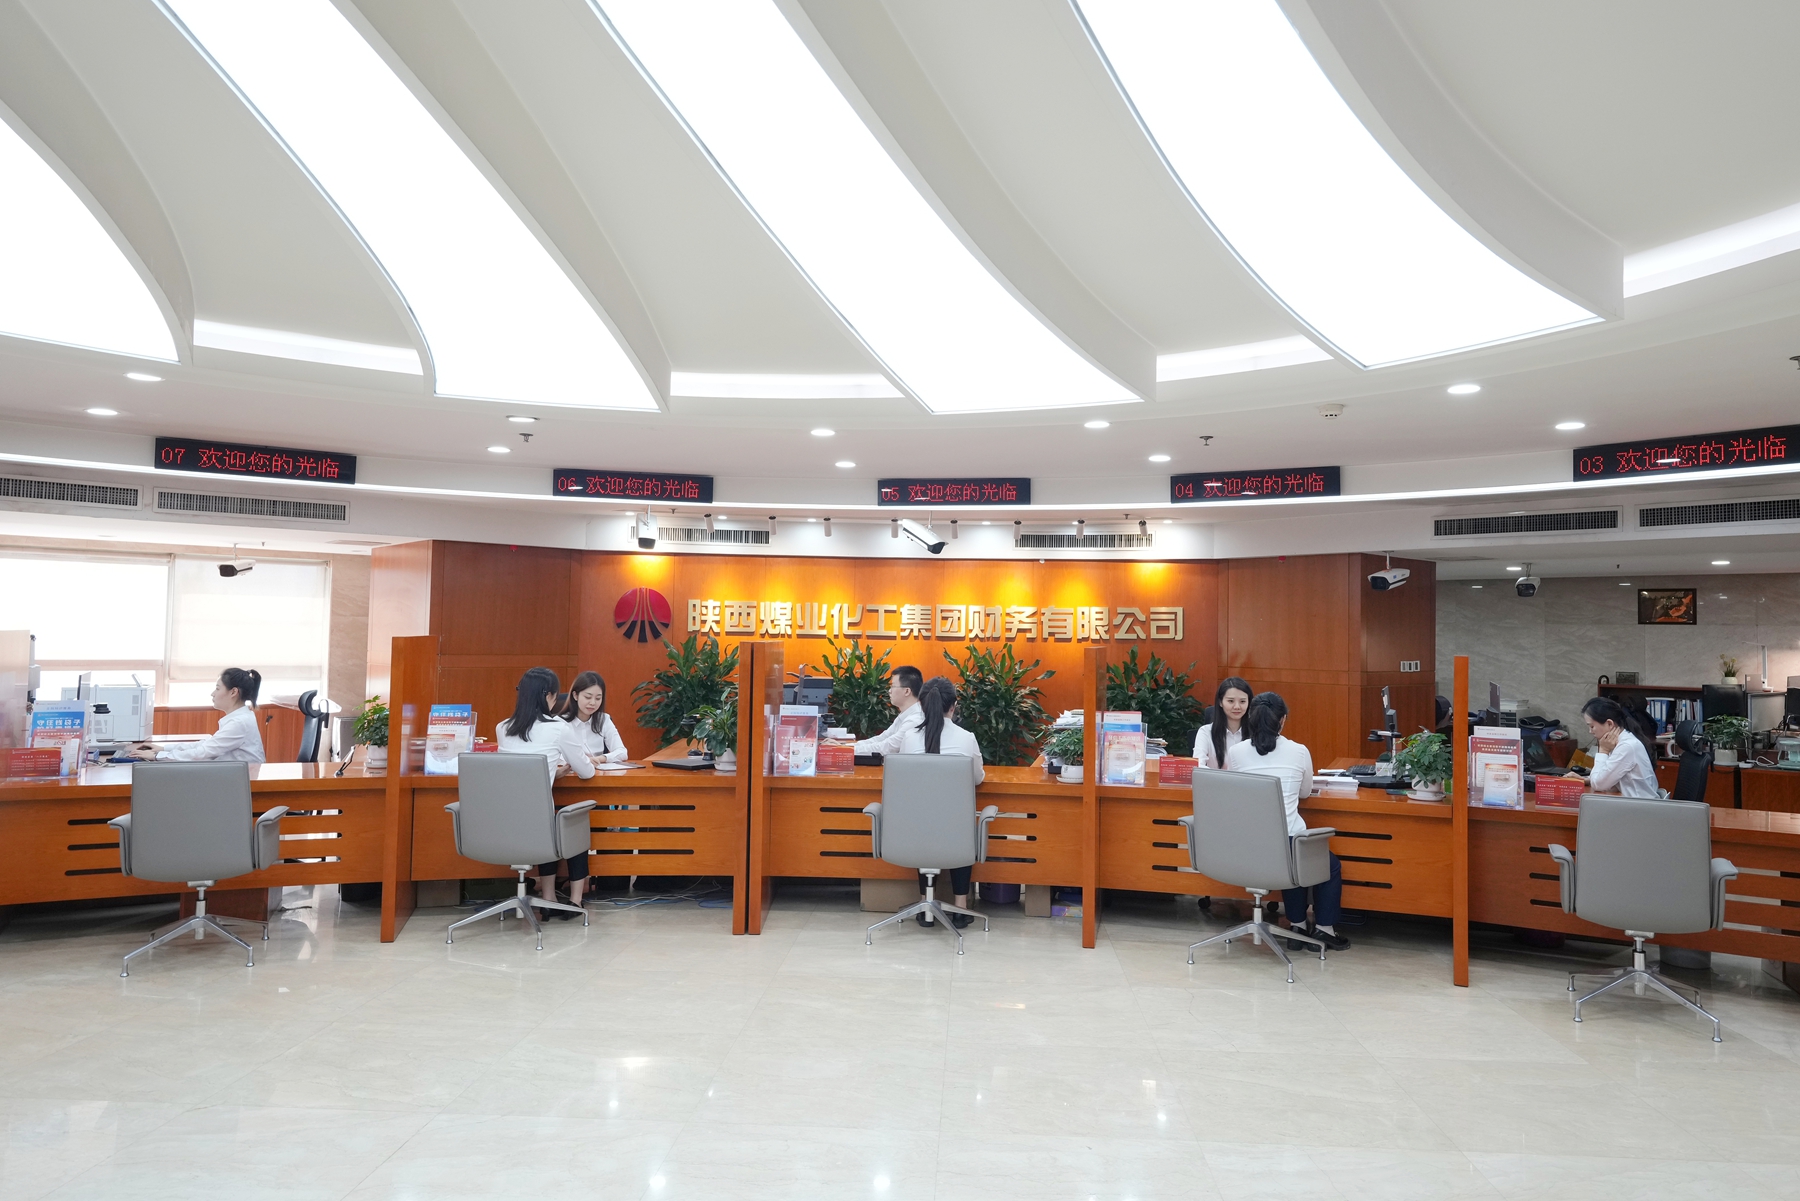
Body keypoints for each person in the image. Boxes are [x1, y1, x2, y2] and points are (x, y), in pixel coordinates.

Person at [1225, 692, 1349, 951]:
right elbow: (1305, 792)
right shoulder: (1299, 751)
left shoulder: (1235, 753)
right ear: (1282, 720)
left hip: (1249, 849)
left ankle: (1297, 927)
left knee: (1291, 860)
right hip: (1290, 848)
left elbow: (1235, 793)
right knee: (1324, 865)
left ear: (1250, 717)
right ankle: (1325, 930)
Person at [497, 667, 589, 916]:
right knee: (573, 820)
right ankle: (573, 901)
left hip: (502, 826)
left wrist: (549, 774)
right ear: (549, 696)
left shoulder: (502, 728)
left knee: (546, 816)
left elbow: (515, 772)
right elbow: (586, 771)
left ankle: (548, 898)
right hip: (539, 829)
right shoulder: (558, 728)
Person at [898, 676, 984, 928]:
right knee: (960, 826)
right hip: (956, 833)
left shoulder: (910, 738)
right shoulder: (966, 738)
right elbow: (977, 778)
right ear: (953, 706)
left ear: (922, 705)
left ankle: (924, 903)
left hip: (915, 831)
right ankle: (960, 907)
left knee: (925, 821)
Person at [122, 668, 265, 763]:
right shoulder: (239, 718)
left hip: (244, 780)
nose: (213, 694)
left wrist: (157, 756)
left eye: (217, 688)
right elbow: (205, 745)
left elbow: (203, 752)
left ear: (233, 692)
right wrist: (164, 749)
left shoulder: (239, 722)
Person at [1581, 696, 1661, 798]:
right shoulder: (1620, 742)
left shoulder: (1626, 746)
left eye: (1592, 726)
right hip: (1634, 803)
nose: (1590, 731)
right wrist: (1587, 779)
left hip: (1640, 806)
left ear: (1609, 724)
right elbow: (1609, 776)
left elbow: (1599, 784)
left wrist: (1603, 751)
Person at [557, 671, 629, 778]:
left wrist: (600, 759)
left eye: (598, 698)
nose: (593, 703)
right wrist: (583, 762)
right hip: (570, 777)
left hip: (598, 777)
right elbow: (555, 757)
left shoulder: (604, 719)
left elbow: (622, 752)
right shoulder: (559, 723)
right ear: (575, 695)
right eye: (588, 697)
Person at [853, 665, 924, 756]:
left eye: (893, 686)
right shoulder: (905, 715)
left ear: (907, 691)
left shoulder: (915, 720)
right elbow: (882, 738)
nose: (889, 691)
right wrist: (845, 747)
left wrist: (848, 750)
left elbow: (888, 748)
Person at [1197, 676, 1253, 769]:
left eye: (1242, 701)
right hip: (1215, 778)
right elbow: (1198, 765)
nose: (1237, 706)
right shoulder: (1206, 732)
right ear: (1220, 702)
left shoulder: (1256, 732)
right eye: (1231, 701)